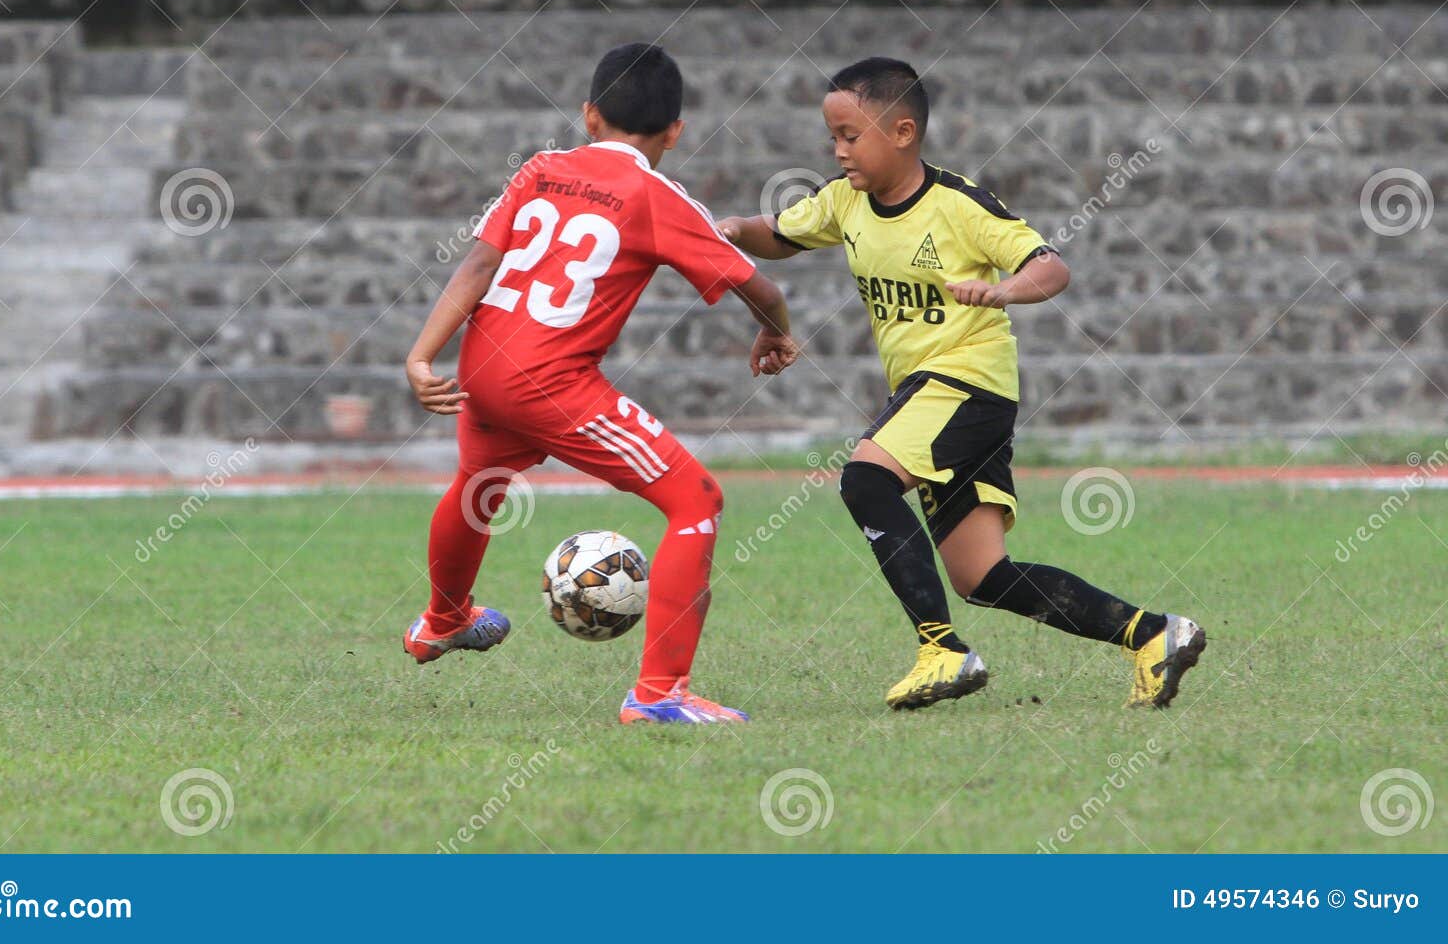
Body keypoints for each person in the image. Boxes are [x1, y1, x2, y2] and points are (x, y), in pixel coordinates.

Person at [718, 57, 1204, 710]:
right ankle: (1153, 635)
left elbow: (1051, 268)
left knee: (865, 477)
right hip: (936, 397)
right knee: (983, 576)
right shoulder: (844, 202)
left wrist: (1002, 290)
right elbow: (774, 235)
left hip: (965, 384)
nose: (837, 151)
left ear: (902, 132)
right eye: (831, 137)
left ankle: (940, 649)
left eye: (849, 136)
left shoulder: (959, 206)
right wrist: (728, 232)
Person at [404, 42, 799, 724]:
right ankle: (658, 695)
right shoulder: (655, 194)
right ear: (675, 132)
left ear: (589, 116)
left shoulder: (541, 168)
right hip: (549, 379)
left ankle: (441, 620)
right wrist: (778, 328)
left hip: (481, 363)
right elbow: (755, 282)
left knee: (476, 485)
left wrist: (420, 357)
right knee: (696, 501)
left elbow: (477, 262)